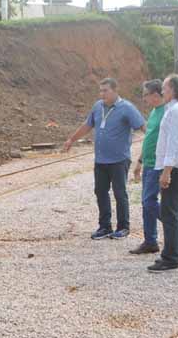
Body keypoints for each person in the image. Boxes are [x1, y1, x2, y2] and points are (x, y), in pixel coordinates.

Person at [64, 78, 146, 240]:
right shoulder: (97, 106)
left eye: (105, 90)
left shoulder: (127, 108)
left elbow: (143, 127)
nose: (102, 94)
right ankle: (105, 226)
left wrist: (151, 147)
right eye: (100, 90)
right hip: (100, 160)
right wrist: (71, 139)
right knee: (100, 191)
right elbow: (87, 125)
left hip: (119, 160)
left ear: (115, 90)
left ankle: (123, 227)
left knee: (119, 193)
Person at [148, 74, 178, 272]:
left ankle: (170, 257)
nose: (162, 91)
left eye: (165, 88)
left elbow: (174, 143)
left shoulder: (176, 111)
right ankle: (177, 253)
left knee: (169, 213)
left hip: (176, 168)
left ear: (174, 90)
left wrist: (166, 171)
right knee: (176, 213)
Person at [130, 80, 165, 255]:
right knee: (146, 204)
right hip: (148, 163)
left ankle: (176, 224)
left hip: (159, 164)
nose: (143, 99)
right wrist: (139, 162)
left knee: (148, 201)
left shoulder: (167, 112)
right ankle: (150, 241)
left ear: (156, 95)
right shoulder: (153, 112)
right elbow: (149, 138)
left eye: (145, 95)